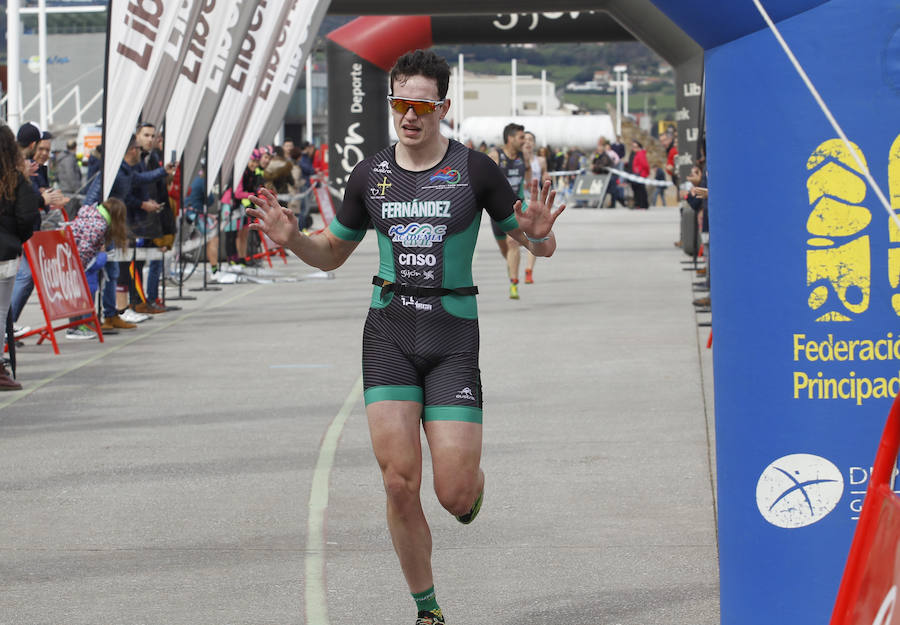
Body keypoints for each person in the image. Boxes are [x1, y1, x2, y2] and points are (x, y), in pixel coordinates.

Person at [247, 49, 564, 625]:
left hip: (452, 336)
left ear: (442, 106)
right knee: (398, 482)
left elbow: (535, 241)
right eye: (400, 103)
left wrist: (539, 240)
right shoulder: (370, 174)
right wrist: (294, 239)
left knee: (453, 495)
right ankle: (428, 610)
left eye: (421, 104)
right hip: (388, 331)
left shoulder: (477, 171)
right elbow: (332, 255)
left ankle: (470, 486)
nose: (409, 115)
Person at [0, 124, 40, 390]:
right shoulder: (16, 179)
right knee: (1, 311)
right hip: (4, 254)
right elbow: (28, 219)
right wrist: (16, 239)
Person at [64, 197, 129, 340]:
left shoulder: (93, 214)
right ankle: (83, 324)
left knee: (83, 294)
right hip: (82, 264)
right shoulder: (99, 225)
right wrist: (100, 256)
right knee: (86, 293)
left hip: (72, 258)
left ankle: (82, 323)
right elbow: (85, 251)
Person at [489, 122, 530, 299]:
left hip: (518, 207)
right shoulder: (495, 156)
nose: (524, 140)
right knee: (505, 250)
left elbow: (527, 179)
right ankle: (512, 270)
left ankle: (514, 284)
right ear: (510, 138)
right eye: (521, 137)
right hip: (497, 209)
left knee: (513, 243)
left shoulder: (523, 156)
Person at [521, 130, 545, 284]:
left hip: (534, 201)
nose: (528, 142)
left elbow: (544, 176)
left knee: (534, 237)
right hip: (519, 200)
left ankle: (529, 270)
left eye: (531, 139)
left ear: (534, 143)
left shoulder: (541, 160)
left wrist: (547, 177)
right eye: (525, 139)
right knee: (516, 239)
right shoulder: (516, 160)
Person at [628, 140, 649, 209]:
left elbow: (645, 165)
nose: (634, 149)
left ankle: (643, 205)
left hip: (641, 174)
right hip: (637, 174)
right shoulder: (636, 154)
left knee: (641, 190)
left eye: (635, 147)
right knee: (638, 190)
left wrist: (641, 172)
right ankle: (639, 204)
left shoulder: (640, 154)